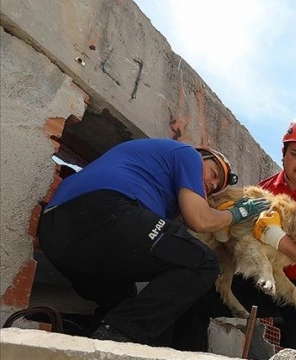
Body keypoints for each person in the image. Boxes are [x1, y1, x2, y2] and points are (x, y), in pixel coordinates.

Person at [37, 138, 271, 345]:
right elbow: (200, 219)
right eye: (214, 174)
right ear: (203, 156)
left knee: (124, 300)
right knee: (203, 263)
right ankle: (116, 336)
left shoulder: (153, 180)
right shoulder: (186, 154)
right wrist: (236, 214)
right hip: (103, 209)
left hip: (57, 238)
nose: (211, 185)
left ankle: (84, 334)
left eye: (215, 188)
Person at [175, 116, 296, 358]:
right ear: (284, 154)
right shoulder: (265, 189)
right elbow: (244, 239)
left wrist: (275, 238)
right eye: (295, 153)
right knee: (195, 298)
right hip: (259, 272)